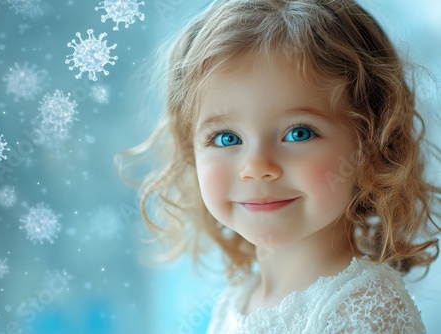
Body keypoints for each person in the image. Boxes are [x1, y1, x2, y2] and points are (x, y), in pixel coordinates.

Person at [116, 0, 441, 332]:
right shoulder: (240, 298)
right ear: (191, 150)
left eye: (298, 133)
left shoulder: (366, 313)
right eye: (227, 138)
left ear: (372, 144)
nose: (256, 167)